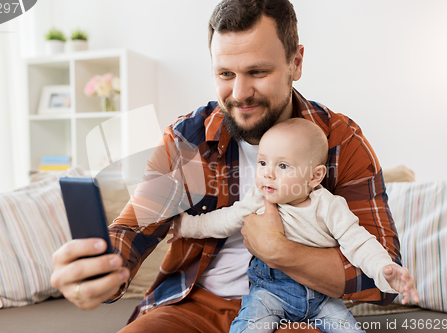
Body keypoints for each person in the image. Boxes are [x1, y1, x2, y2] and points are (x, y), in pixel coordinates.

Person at [50, 1, 403, 332]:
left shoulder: (338, 141)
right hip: (193, 305)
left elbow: (383, 277)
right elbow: (136, 228)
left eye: (257, 71)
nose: (239, 92)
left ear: (296, 63)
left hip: (296, 310)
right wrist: (98, 270)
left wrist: (280, 251)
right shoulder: (190, 139)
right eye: (225, 73)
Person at [168, 118, 419, 332]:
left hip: (322, 298)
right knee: (250, 325)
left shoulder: (328, 207)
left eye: (283, 166)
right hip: (270, 292)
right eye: (263, 162)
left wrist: (384, 268)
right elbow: (220, 221)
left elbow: (359, 242)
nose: (268, 173)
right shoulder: (257, 199)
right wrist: (184, 226)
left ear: (315, 176)